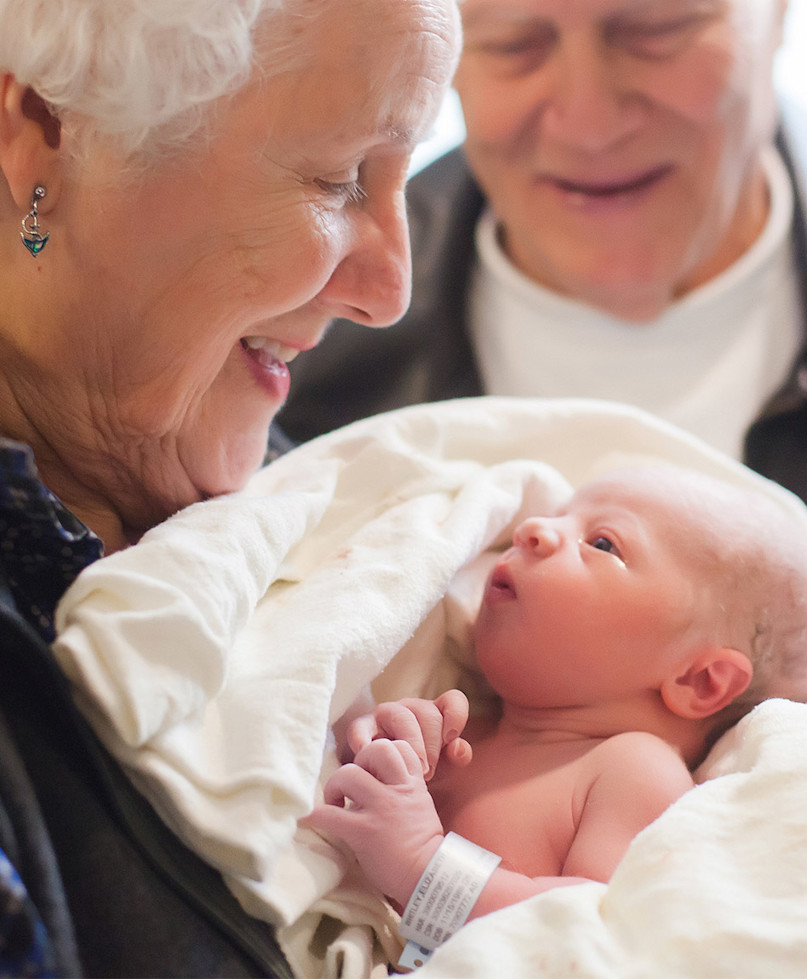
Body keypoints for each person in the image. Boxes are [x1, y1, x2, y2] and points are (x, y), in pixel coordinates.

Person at [0, 0, 460, 974]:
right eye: (338, 179)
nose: (392, 290)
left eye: (403, 173)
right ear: (40, 135)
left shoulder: (324, 484)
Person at [278, 0, 807, 505]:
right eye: (513, 43)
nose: (590, 126)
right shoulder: (291, 365)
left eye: (657, 28)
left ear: (780, 12)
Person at [305, 465, 807, 954]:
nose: (532, 529)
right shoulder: (467, 736)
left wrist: (421, 866)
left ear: (698, 679)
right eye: (560, 514)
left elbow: (587, 925)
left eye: (602, 543)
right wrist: (379, 742)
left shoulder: (634, 770)